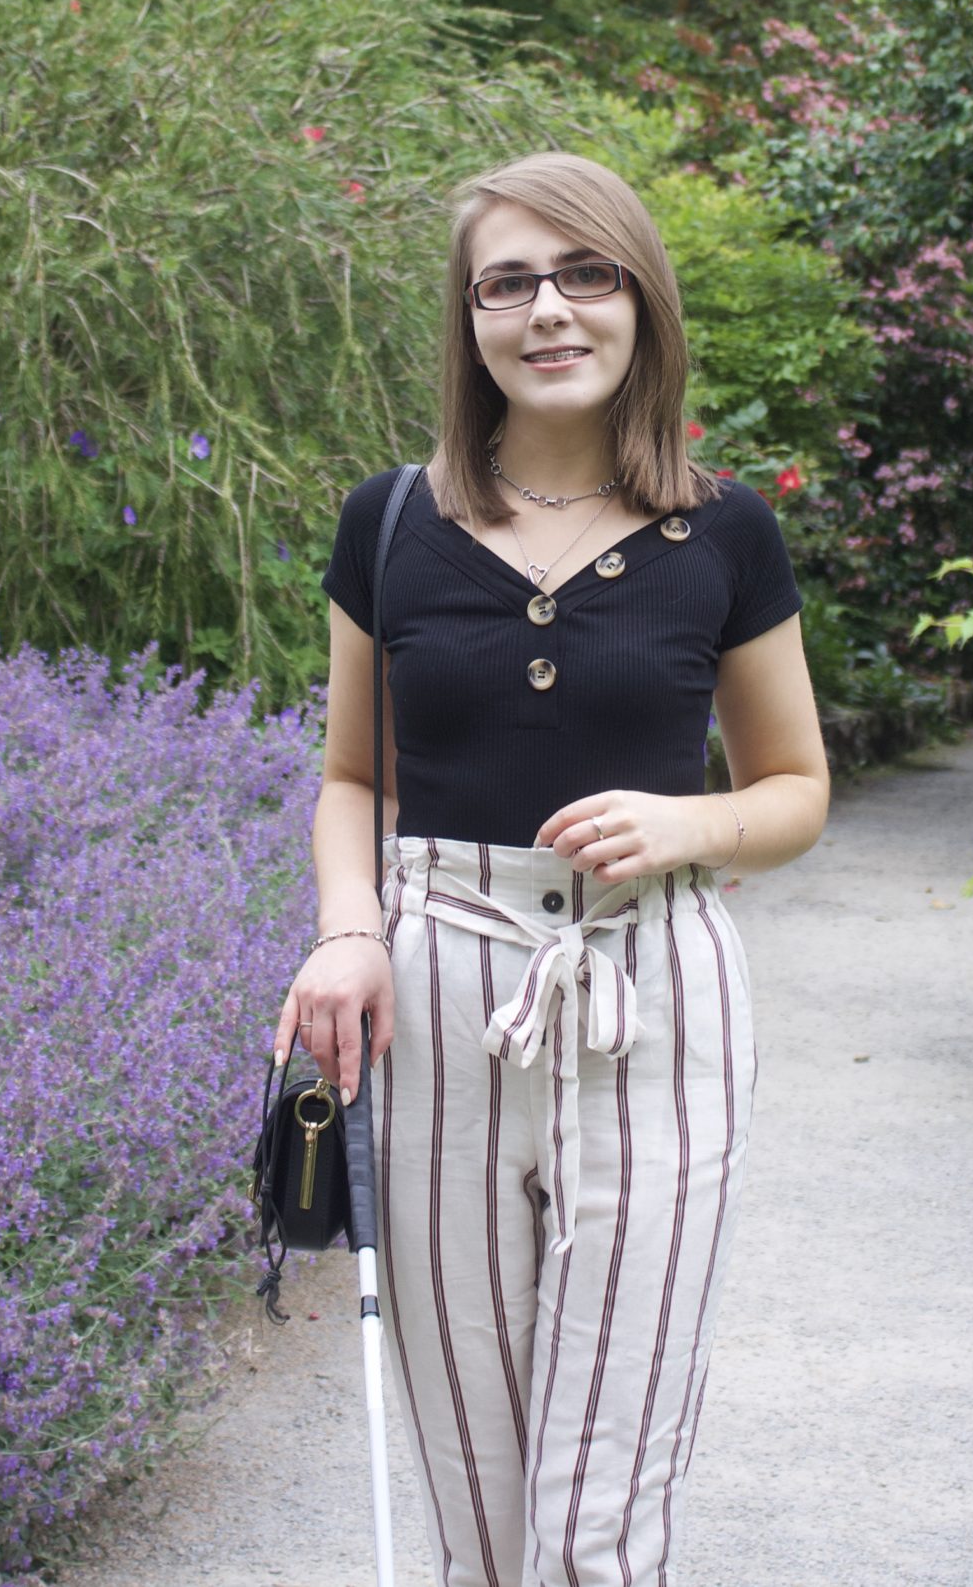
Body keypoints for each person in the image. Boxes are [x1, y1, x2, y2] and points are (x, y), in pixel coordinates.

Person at [275, 150, 829, 1587]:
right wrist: (347, 932)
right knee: (480, 1500)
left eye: (586, 275)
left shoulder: (726, 534)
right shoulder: (389, 525)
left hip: (652, 994)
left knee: (597, 1517)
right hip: (440, 994)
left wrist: (687, 824)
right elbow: (353, 778)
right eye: (508, 283)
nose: (549, 312)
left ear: (641, 300)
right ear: (470, 323)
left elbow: (795, 790)